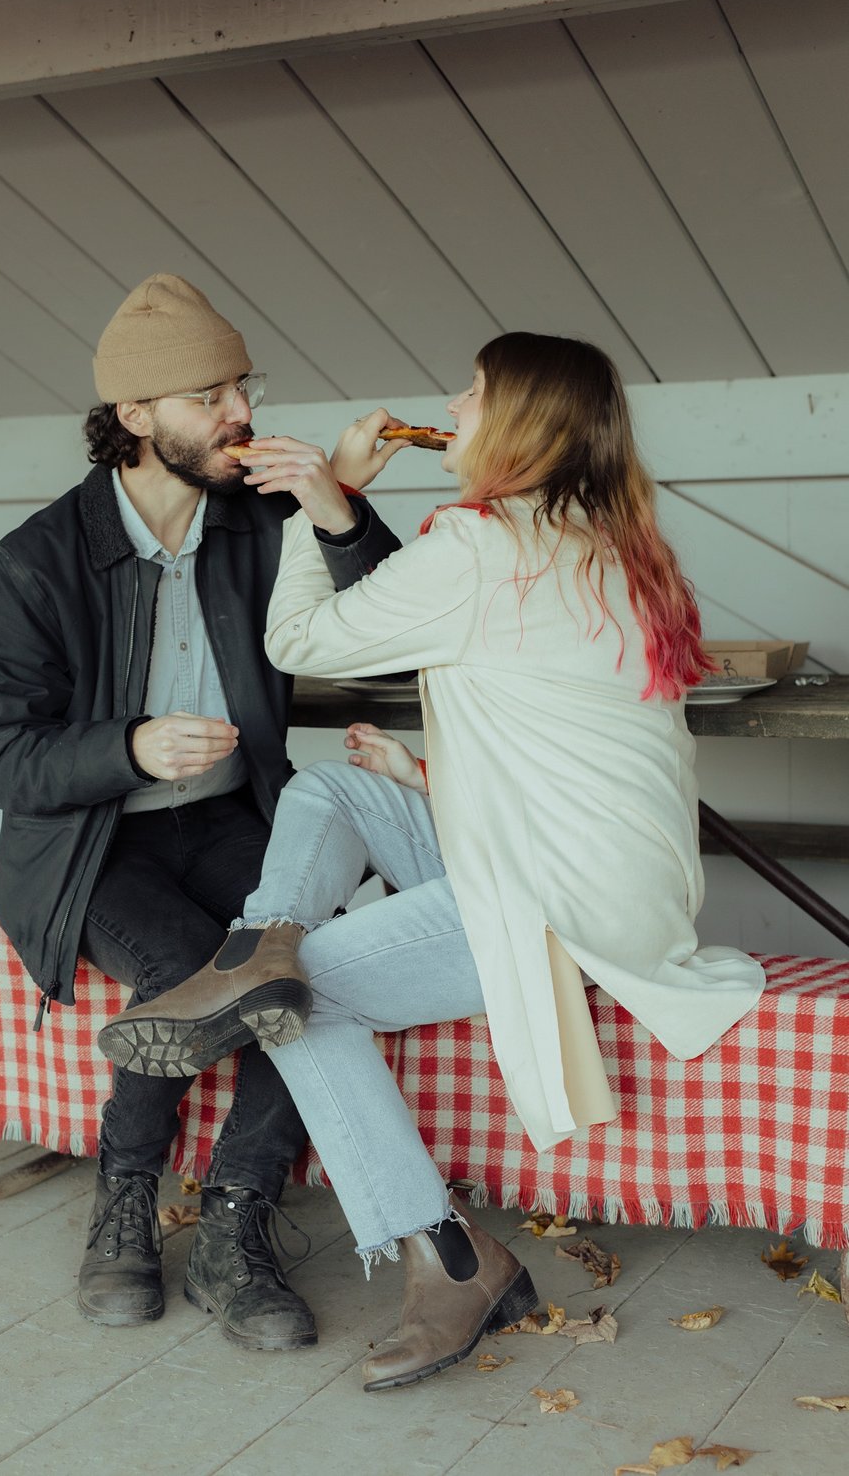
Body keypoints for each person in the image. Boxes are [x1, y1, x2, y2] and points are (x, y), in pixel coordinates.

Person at [98, 330, 767, 1390]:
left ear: (520, 424)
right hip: (609, 870)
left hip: (555, 898)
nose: (451, 406)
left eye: (472, 392)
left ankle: (452, 1260)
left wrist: (324, 508)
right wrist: (424, 781)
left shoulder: (480, 545)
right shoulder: (613, 537)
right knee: (329, 790)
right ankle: (251, 953)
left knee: (305, 998)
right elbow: (575, 739)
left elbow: (299, 644)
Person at [0, 273, 405, 1346]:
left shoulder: (260, 522)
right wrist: (129, 746)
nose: (240, 413)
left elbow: (388, 612)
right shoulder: (34, 562)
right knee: (186, 969)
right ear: (133, 416)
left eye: (240, 386)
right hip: (89, 845)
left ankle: (235, 1223)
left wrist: (334, 506)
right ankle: (123, 1203)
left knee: (304, 964)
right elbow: (3, 757)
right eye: (209, 394)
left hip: (231, 818)